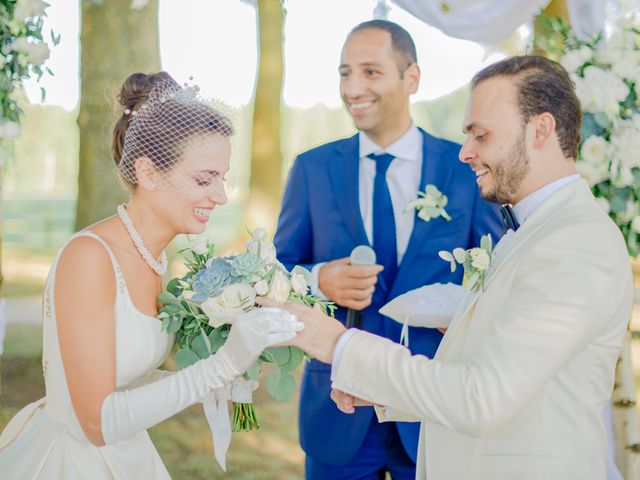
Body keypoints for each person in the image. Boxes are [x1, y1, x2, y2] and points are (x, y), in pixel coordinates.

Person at [264, 55, 634, 480]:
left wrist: (342, 347)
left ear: (541, 130)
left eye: (481, 135)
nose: (465, 152)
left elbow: (482, 397)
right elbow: (504, 374)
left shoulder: (574, 244)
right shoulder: (535, 231)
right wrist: (382, 391)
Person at [0, 72, 302, 479]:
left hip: (129, 455)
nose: (221, 196)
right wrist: (221, 365)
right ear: (149, 173)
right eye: (203, 178)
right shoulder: (90, 258)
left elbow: (125, 376)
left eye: (222, 177)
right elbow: (97, 424)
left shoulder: (154, 260)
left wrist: (223, 369)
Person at [273, 19, 502, 479]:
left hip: (434, 406)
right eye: (344, 73)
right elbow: (278, 270)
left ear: (411, 77)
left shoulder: (463, 170)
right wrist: (320, 279)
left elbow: (498, 271)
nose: (353, 87)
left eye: (371, 72)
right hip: (338, 410)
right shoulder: (312, 169)